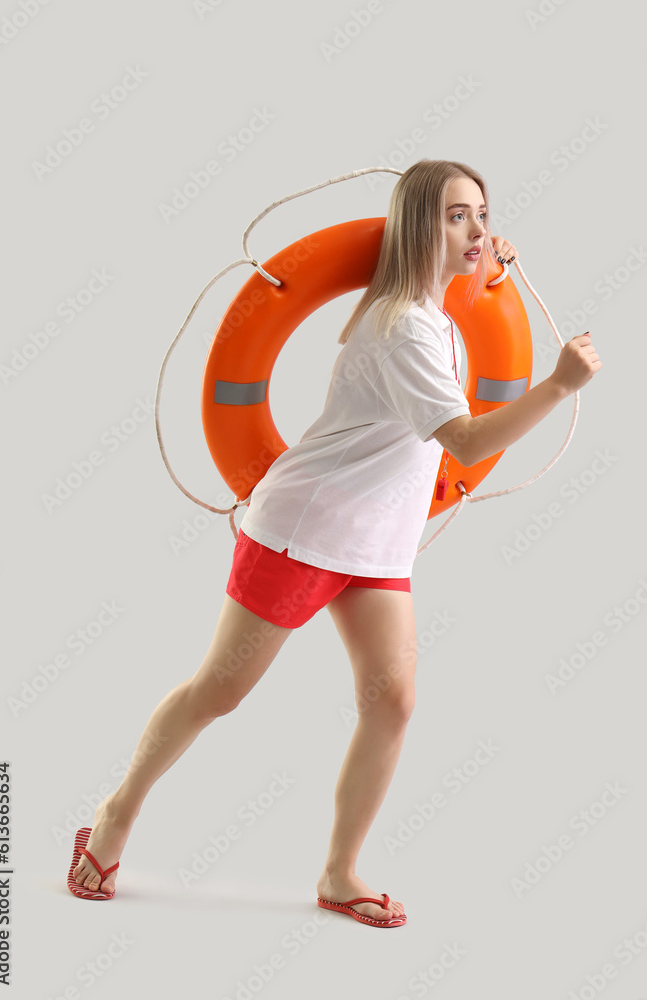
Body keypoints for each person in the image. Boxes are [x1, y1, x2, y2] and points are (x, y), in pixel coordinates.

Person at [67, 159, 602, 926]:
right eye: (457, 216)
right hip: (304, 530)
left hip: (378, 542)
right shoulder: (401, 329)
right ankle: (115, 815)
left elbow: (453, 335)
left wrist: (485, 271)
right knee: (220, 692)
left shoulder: (437, 316)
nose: (479, 228)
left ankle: (339, 874)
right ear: (420, 225)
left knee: (393, 702)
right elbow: (469, 435)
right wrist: (555, 386)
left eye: (482, 213)